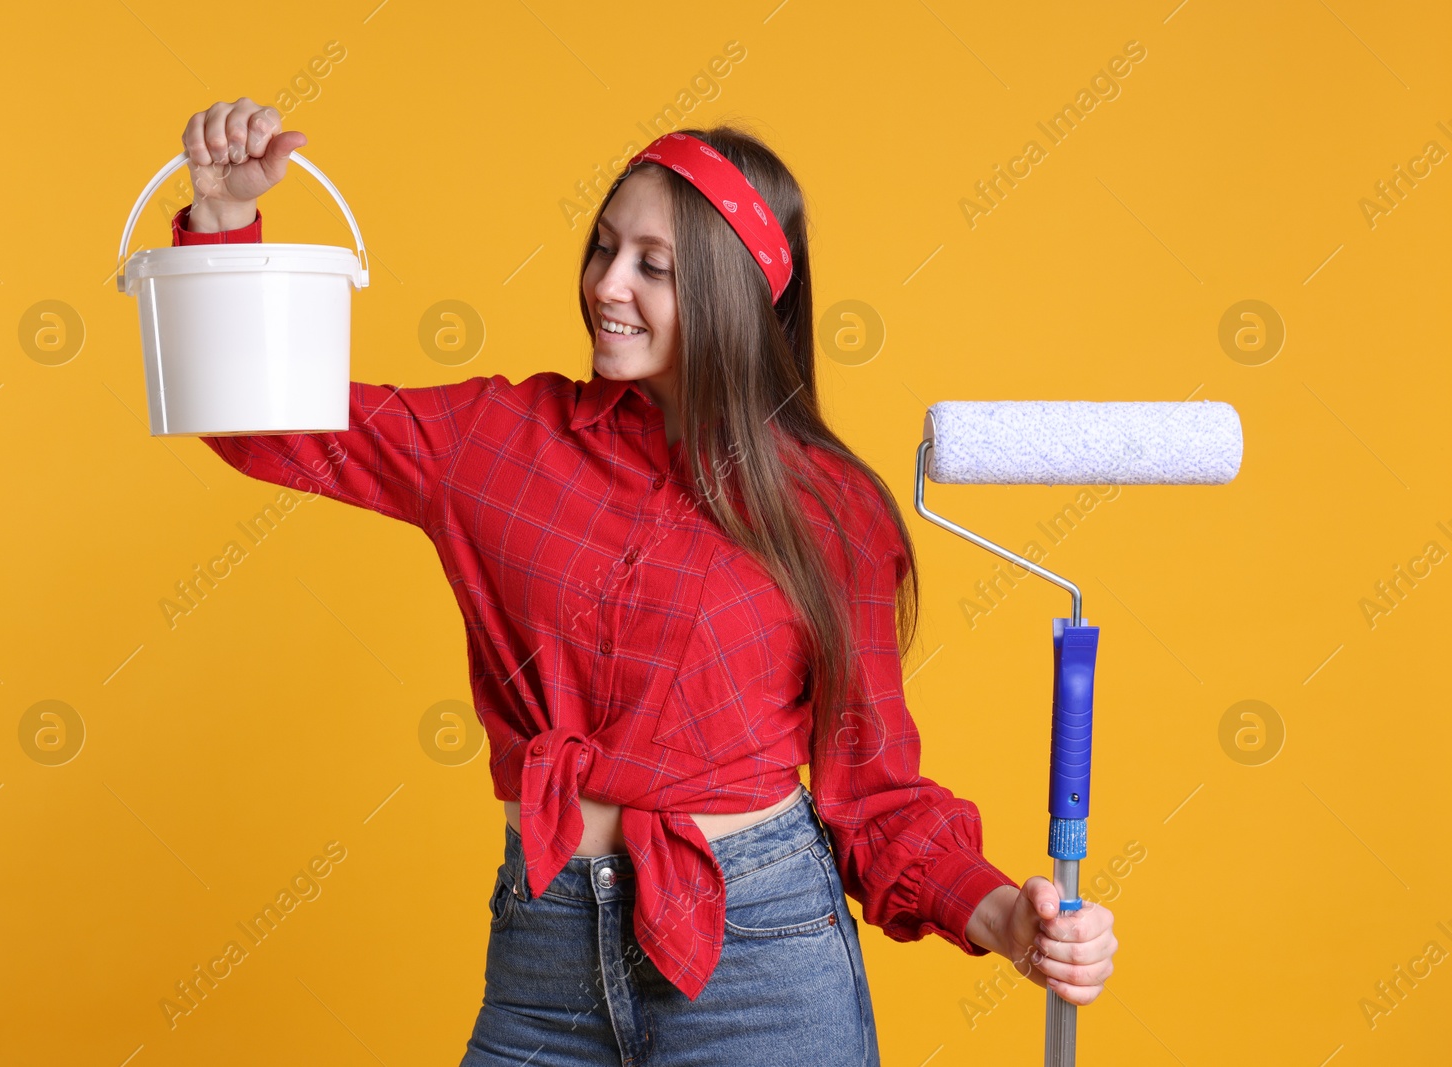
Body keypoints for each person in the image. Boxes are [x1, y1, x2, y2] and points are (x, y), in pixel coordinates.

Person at [173, 98, 1118, 1065]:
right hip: (544, 958)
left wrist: (1004, 914)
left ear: (737, 297)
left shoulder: (829, 514)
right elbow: (266, 423)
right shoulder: (499, 442)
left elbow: (872, 796)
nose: (607, 284)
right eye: (604, 246)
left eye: (655, 267)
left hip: (760, 967)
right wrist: (220, 219)